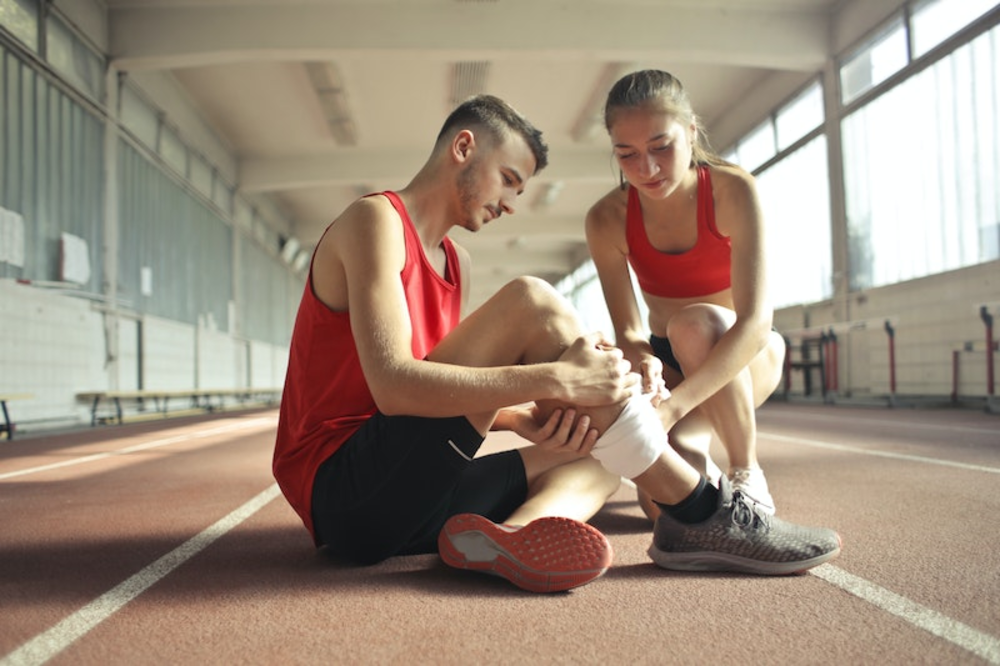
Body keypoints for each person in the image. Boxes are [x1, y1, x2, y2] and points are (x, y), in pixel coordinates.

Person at [273, 94, 840, 595]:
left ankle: (514, 537)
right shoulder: (375, 221)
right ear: (464, 148)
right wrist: (555, 381)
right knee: (531, 300)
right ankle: (700, 510)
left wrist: (523, 418)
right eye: (509, 180)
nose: (511, 204)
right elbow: (395, 389)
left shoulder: (457, 263)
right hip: (346, 494)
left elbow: (436, 398)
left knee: (598, 449)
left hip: (406, 503)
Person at [585, 69, 786, 518]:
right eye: (627, 154)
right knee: (663, 509)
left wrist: (673, 409)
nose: (647, 169)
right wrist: (644, 360)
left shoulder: (734, 191)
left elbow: (755, 324)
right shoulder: (606, 219)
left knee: (695, 324)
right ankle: (697, 449)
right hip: (671, 363)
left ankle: (746, 471)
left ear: (691, 132)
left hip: (744, 354)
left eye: (661, 147)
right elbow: (630, 329)